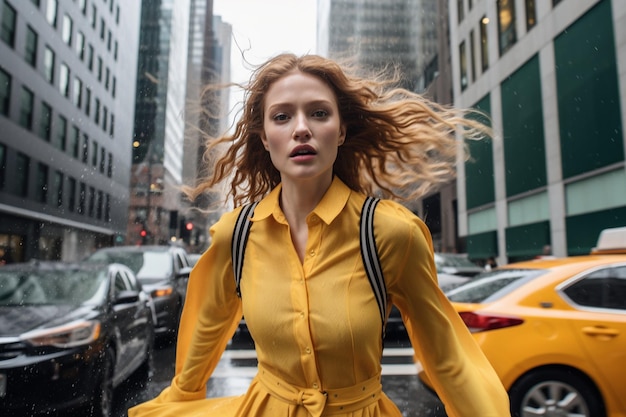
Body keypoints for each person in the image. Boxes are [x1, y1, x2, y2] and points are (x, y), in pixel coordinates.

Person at [129, 53, 510, 417]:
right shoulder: (237, 235)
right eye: (281, 116)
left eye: (319, 113)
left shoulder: (389, 234)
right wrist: (179, 402)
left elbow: (448, 358)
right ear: (264, 138)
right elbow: (200, 346)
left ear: (341, 131)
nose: (301, 128)